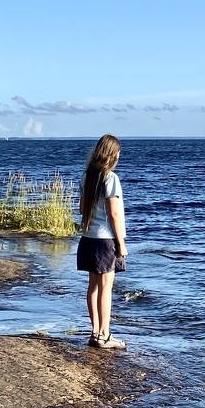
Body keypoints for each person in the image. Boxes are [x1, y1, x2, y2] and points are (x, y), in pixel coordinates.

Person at [76, 134, 127, 349]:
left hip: (88, 237)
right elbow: (114, 214)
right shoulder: (110, 178)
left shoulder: (87, 176)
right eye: (118, 153)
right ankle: (105, 335)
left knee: (93, 287)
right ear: (112, 154)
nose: (119, 156)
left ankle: (95, 332)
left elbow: (82, 208)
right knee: (106, 288)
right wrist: (121, 243)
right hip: (105, 239)